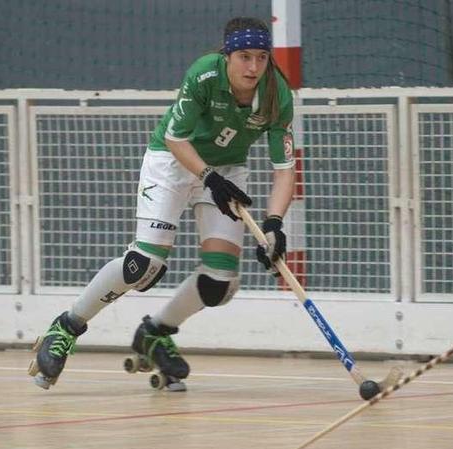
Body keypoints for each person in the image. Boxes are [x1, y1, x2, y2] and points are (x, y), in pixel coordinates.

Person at [28, 17, 296, 391]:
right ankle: (67, 326)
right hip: (172, 162)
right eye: (244, 56)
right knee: (143, 265)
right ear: (227, 55)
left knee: (221, 281)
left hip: (228, 169)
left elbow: (284, 171)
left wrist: (274, 224)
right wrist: (208, 179)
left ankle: (154, 334)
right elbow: (176, 139)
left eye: (262, 57)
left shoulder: (277, 96)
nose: (253, 67)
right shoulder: (204, 75)